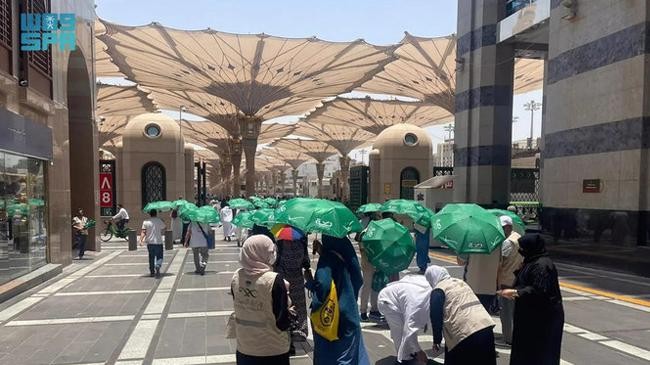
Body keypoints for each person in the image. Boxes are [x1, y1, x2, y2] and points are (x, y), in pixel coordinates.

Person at [498, 234, 564, 365]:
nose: (521, 251)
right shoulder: (532, 261)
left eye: (523, 248)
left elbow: (539, 290)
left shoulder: (542, 265)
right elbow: (527, 281)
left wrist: (516, 292)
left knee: (540, 352)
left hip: (542, 319)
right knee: (527, 350)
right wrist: (519, 271)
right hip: (531, 317)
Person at [306, 235, 370, 365]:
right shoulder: (347, 254)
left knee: (330, 356)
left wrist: (310, 282)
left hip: (331, 319)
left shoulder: (327, 259)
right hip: (349, 313)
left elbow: (323, 286)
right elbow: (358, 279)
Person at [231, 234, 292, 365]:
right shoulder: (274, 280)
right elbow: (282, 321)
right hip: (272, 348)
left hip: (245, 347)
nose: (273, 254)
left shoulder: (236, 277)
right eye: (271, 251)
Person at [426, 266, 496, 365]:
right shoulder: (461, 282)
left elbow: (435, 316)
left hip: (464, 334)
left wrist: (436, 340)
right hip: (485, 326)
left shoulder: (438, 290)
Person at [378, 274, 432, 365]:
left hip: (400, 298)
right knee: (399, 331)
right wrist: (419, 351)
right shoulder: (416, 304)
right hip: (388, 301)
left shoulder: (430, 291)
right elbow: (409, 329)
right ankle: (403, 359)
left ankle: (410, 352)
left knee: (410, 328)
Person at [275, 233, 310, 346]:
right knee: (299, 304)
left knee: (285, 303)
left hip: (283, 278)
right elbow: (305, 261)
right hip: (297, 278)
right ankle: (300, 329)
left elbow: (276, 260)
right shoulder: (302, 239)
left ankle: (286, 328)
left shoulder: (280, 241)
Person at [496, 215, 522, 345]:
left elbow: (501, 262)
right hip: (517, 279)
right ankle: (515, 336)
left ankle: (508, 338)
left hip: (506, 280)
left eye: (503, 227)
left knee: (505, 312)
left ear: (509, 227)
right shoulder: (518, 238)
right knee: (515, 312)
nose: (501, 230)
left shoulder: (507, 243)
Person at [458, 235, 501, 312]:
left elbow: (460, 261)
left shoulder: (470, 240)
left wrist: (459, 249)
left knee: (471, 315)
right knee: (485, 317)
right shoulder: (498, 241)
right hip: (490, 287)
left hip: (472, 286)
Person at [355, 217, 382, 322]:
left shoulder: (377, 233)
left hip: (377, 263)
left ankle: (374, 309)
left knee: (376, 287)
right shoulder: (363, 234)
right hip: (368, 263)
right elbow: (362, 250)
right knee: (367, 286)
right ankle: (363, 311)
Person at [140, 209, 166, 277]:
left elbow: (143, 231)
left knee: (151, 257)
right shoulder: (159, 220)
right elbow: (165, 228)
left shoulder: (145, 222)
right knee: (160, 256)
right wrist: (162, 221)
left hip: (150, 243)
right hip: (158, 242)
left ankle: (152, 272)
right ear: (156, 214)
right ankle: (158, 265)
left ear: (150, 214)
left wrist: (141, 240)